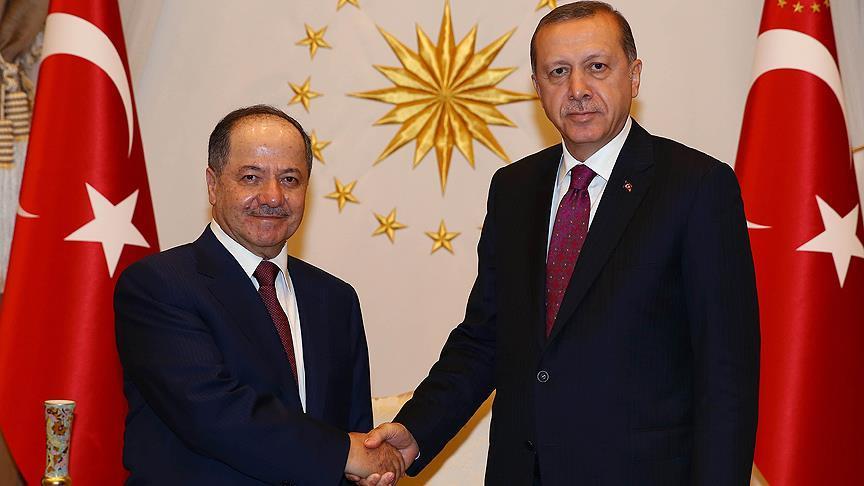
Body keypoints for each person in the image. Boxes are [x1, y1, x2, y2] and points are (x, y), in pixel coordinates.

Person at [354, 2, 760, 485]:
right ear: (537, 87)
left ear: (634, 76)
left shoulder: (696, 186)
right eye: (558, 72)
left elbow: (726, 375)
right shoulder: (514, 188)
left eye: (597, 67)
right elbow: (486, 337)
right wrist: (416, 430)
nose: (578, 89)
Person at [114, 105, 404, 485]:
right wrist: (343, 454)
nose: (272, 196)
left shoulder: (335, 300)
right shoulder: (158, 285)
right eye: (251, 177)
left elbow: (355, 433)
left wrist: (367, 466)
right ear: (213, 185)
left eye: (290, 179)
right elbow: (213, 414)